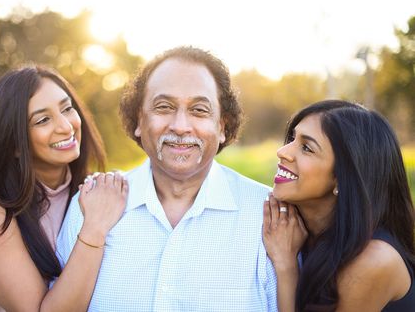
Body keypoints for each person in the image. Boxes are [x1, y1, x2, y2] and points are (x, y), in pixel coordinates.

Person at [56, 46, 278, 311]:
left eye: (199, 110)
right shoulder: (87, 208)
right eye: (164, 107)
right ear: (139, 119)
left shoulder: (269, 216)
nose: (181, 126)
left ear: (222, 127)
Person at [0, 65, 128, 311]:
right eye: (43, 119)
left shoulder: (93, 193)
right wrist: (95, 228)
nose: (66, 127)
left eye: (67, 108)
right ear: (13, 142)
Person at [263, 100, 415, 311]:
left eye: (306, 148)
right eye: (292, 138)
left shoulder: (373, 260)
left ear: (343, 178)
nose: (283, 151)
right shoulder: (299, 231)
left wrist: (286, 266)